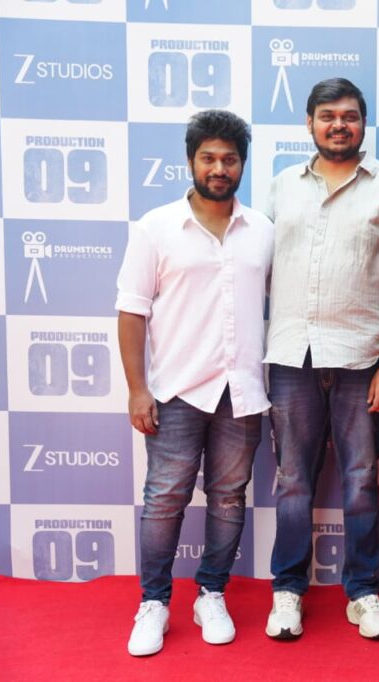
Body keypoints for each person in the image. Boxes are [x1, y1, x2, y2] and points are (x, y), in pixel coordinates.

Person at [263, 78, 379, 641]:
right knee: (292, 482)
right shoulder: (282, 186)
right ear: (309, 123)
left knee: (361, 480)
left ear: (363, 123)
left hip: (364, 359)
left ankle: (362, 592)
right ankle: (287, 591)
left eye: (350, 116)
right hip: (292, 356)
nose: (339, 125)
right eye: (327, 115)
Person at [117, 110, 273, 656]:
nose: (219, 168)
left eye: (229, 159)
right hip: (176, 390)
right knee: (164, 499)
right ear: (190, 162)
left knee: (228, 498)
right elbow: (132, 311)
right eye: (208, 157)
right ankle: (153, 603)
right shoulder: (155, 228)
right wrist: (138, 389)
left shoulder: (263, 231)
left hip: (242, 392)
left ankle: (212, 593)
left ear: (242, 165)